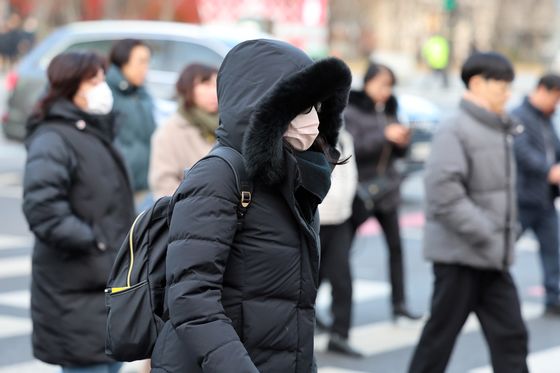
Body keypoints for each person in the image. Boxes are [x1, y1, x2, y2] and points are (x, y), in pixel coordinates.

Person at [149, 39, 352, 373]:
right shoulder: (217, 176)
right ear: (264, 110)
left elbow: (293, 306)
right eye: (302, 108)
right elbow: (192, 298)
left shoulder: (296, 178)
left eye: (316, 106)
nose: (313, 119)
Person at [408, 52, 528, 373]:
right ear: (476, 83)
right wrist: (488, 232)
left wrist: (504, 234)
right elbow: (444, 195)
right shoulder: (455, 128)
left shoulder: (499, 127)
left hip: (492, 258)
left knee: (512, 338)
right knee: (439, 341)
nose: (507, 93)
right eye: (501, 86)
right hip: (459, 258)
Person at [21, 52, 135, 373]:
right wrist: (96, 243)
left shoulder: (94, 132)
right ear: (72, 85)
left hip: (103, 287)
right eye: (94, 81)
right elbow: (43, 210)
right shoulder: (54, 138)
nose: (103, 87)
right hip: (75, 289)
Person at [345, 62, 420, 321]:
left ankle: (399, 303)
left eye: (390, 86)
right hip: (360, 190)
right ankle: (320, 300)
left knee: (396, 248)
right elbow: (352, 148)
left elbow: (399, 154)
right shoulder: (351, 109)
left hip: (387, 190)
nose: (386, 91)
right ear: (367, 82)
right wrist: (384, 135)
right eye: (382, 85)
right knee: (340, 252)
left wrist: (402, 141)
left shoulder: (391, 108)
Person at [511, 73, 560, 315]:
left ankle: (555, 297)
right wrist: (549, 171)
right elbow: (522, 153)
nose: (557, 105)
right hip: (522, 197)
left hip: (545, 199)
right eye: (556, 98)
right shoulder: (519, 116)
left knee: (554, 250)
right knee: (503, 249)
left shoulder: (546, 119)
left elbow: (555, 149)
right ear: (543, 90)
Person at [316, 127, 362, 357]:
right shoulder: (308, 132)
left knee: (342, 280)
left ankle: (339, 335)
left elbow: (350, 173)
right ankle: (304, 326)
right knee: (308, 278)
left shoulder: (345, 136)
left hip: (341, 219)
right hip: (315, 219)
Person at [149, 63, 218, 199]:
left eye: (216, 85)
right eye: (206, 84)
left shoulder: (227, 125)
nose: (213, 92)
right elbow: (164, 186)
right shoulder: (170, 132)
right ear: (187, 88)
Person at [107, 39, 156, 207]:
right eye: (141, 62)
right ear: (123, 61)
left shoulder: (143, 94)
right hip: (116, 186)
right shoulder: (106, 93)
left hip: (143, 185)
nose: (145, 69)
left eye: (148, 62)